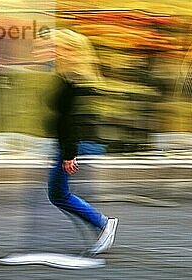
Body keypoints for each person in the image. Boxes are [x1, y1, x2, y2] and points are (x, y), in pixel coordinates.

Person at [46, 29, 118, 254]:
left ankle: (102, 224)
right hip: (70, 142)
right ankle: (99, 225)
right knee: (58, 193)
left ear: (71, 50)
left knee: (58, 194)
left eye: (59, 47)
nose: (54, 51)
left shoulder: (74, 80)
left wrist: (69, 153)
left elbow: (71, 119)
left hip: (73, 143)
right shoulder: (70, 76)